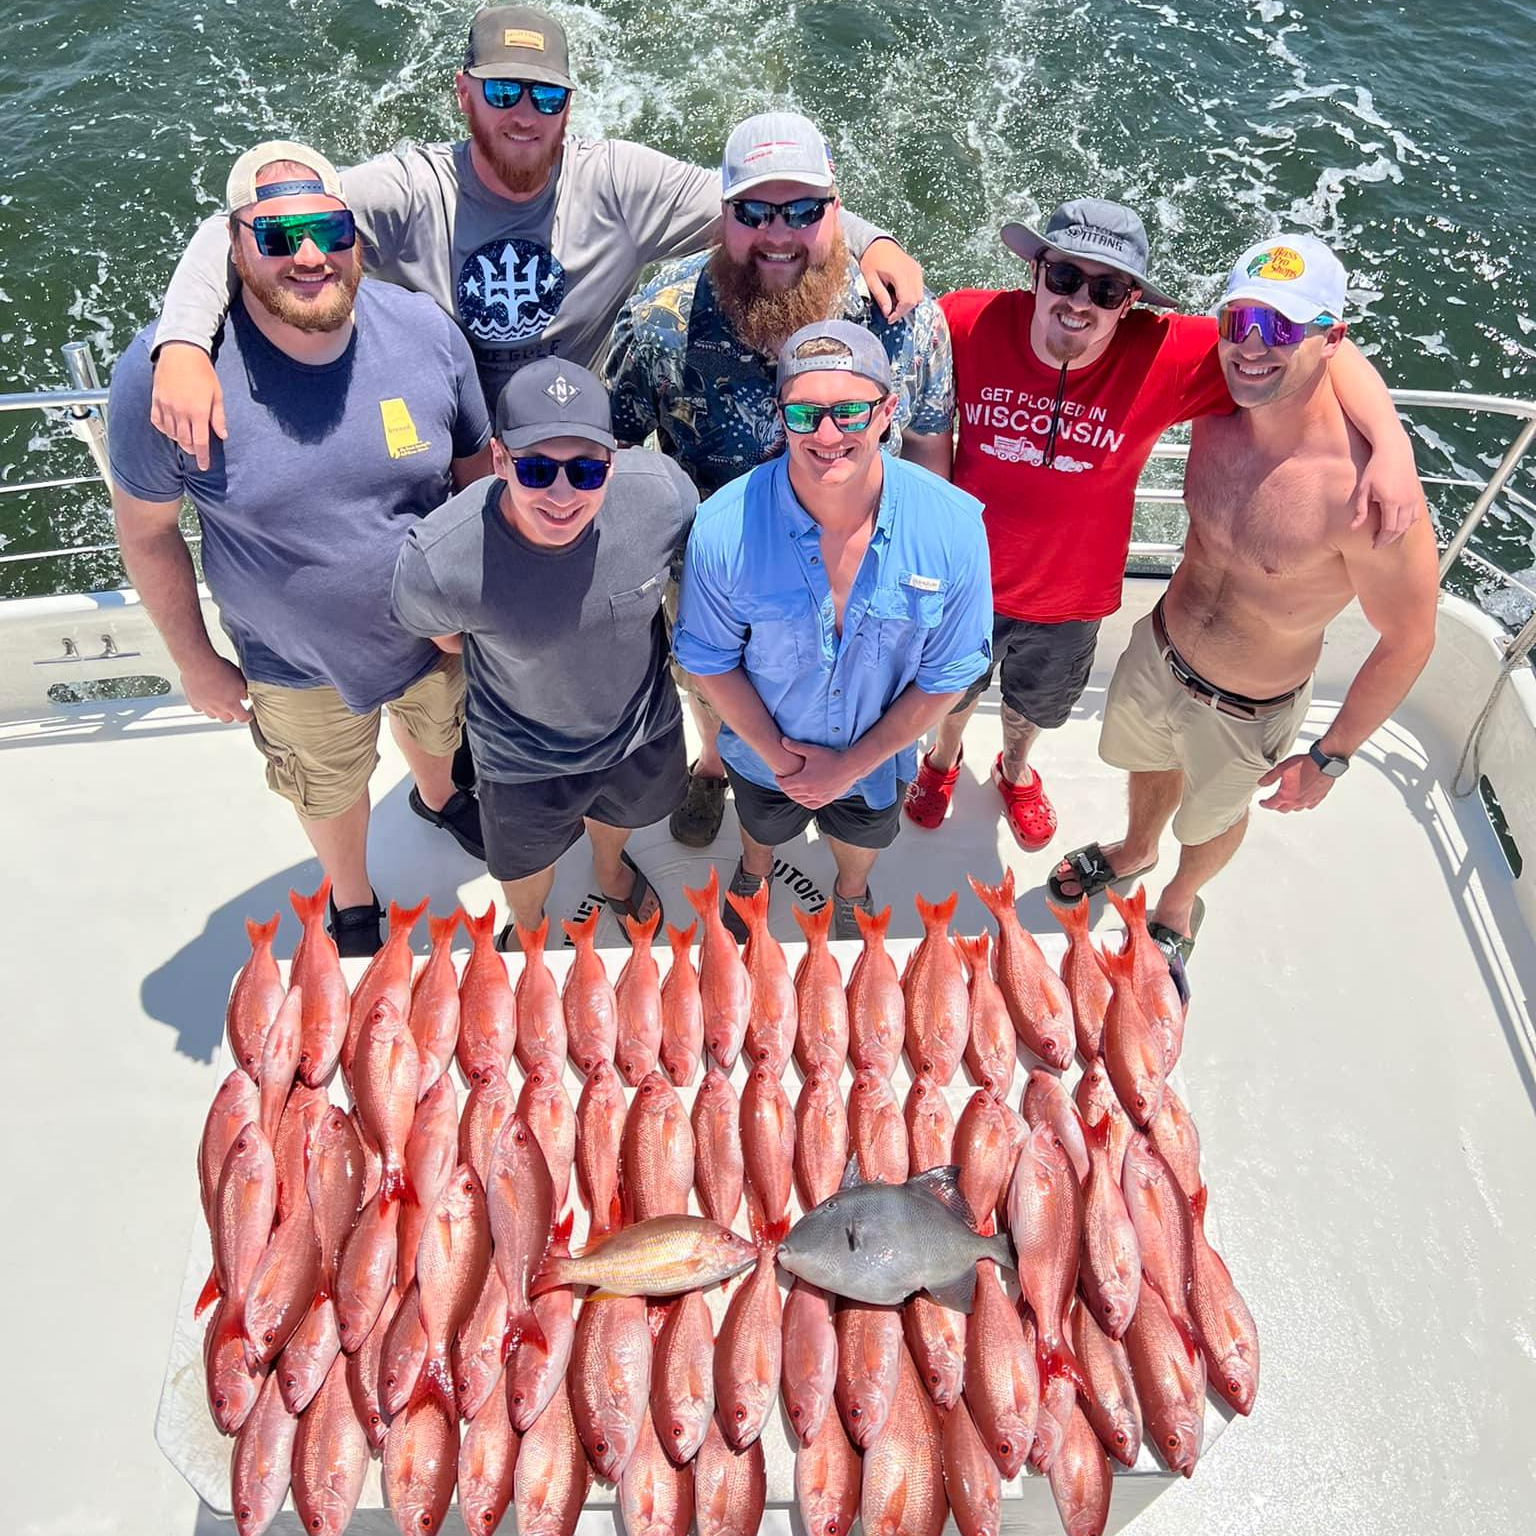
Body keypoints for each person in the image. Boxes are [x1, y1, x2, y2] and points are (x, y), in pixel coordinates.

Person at [146, 5, 925, 465]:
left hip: (574, 440)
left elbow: (764, 209)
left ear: (569, 105)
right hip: (447, 442)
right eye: (502, 91)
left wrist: (877, 239)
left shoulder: (619, 182)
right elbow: (248, 227)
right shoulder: (414, 187)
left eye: (545, 95)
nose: (524, 112)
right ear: (463, 94)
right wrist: (181, 345)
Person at [903, 198, 1426, 863]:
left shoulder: (1166, 353)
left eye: (1107, 288)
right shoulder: (965, 322)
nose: (1078, 301)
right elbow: (878, 336)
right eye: (1063, 276)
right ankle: (944, 759)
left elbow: (1316, 346)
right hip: (964, 587)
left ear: (1131, 302)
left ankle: (1014, 770)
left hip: (1070, 601)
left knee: (1034, 706)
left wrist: (1391, 443)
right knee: (956, 694)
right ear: (1034, 272)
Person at [108, 143, 493, 955]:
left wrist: (470, 604)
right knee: (327, 788)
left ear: (355, 233)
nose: (311, 256)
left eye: (329, 229)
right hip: (293, 663)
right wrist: (196, 659)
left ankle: (438, 796)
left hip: (434, 639)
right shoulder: (166, 376)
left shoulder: (425, 330)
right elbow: (146, 533)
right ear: (233, 246)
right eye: (279, 238)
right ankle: (352, 900)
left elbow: (473, 482)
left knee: (439, 734)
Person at [603, 109, 956, 850]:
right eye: (754, 211)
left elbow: (926, 435)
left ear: (837, 211)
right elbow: (610, 452)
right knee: (709, 679)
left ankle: (842, 789)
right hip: (714, 569)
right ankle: (711, 764)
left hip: (861, 563)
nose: (779, 232)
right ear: (723, 214)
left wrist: (932, 553)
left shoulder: (902, 321)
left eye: (803, 210)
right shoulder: (660, 319)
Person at [1082, 234, 1439, 959]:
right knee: (1147, 764)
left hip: (1247, 709)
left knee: (1212, 818)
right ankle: (1136, 848)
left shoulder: (1364, 491)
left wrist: (1330, 758)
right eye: (1237, 321)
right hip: (1159, 652)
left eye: (1280, 329)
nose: (1251, 346)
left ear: (1329, 338)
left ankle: (1179, 904)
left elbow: (1411, 638)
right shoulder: (1216, 402)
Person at [675, 320, 991, 941]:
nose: (827, 434)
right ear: (779, 415)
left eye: (849, 411)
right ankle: (755, 870)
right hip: (766, 756)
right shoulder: (719, 528)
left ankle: (850, 890)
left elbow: (949, 675)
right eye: (804, 414)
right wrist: (777, 756)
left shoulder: (955, 528)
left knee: (862, 837)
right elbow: (710, 661)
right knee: (762, 826)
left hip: (876, 762)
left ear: (887, 412)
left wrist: (850, 766)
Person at [392, 358, 697, 946]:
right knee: (523, 868)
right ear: (499, 460)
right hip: (519, 757)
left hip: (640, 732)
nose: (561, 494)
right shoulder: (436, 560)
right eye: (536, 469)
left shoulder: (664, 495)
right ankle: (528, 928)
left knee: (621, 819)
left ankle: (610, 871)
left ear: (615, 459)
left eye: (585, 470)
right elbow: (445, 637)